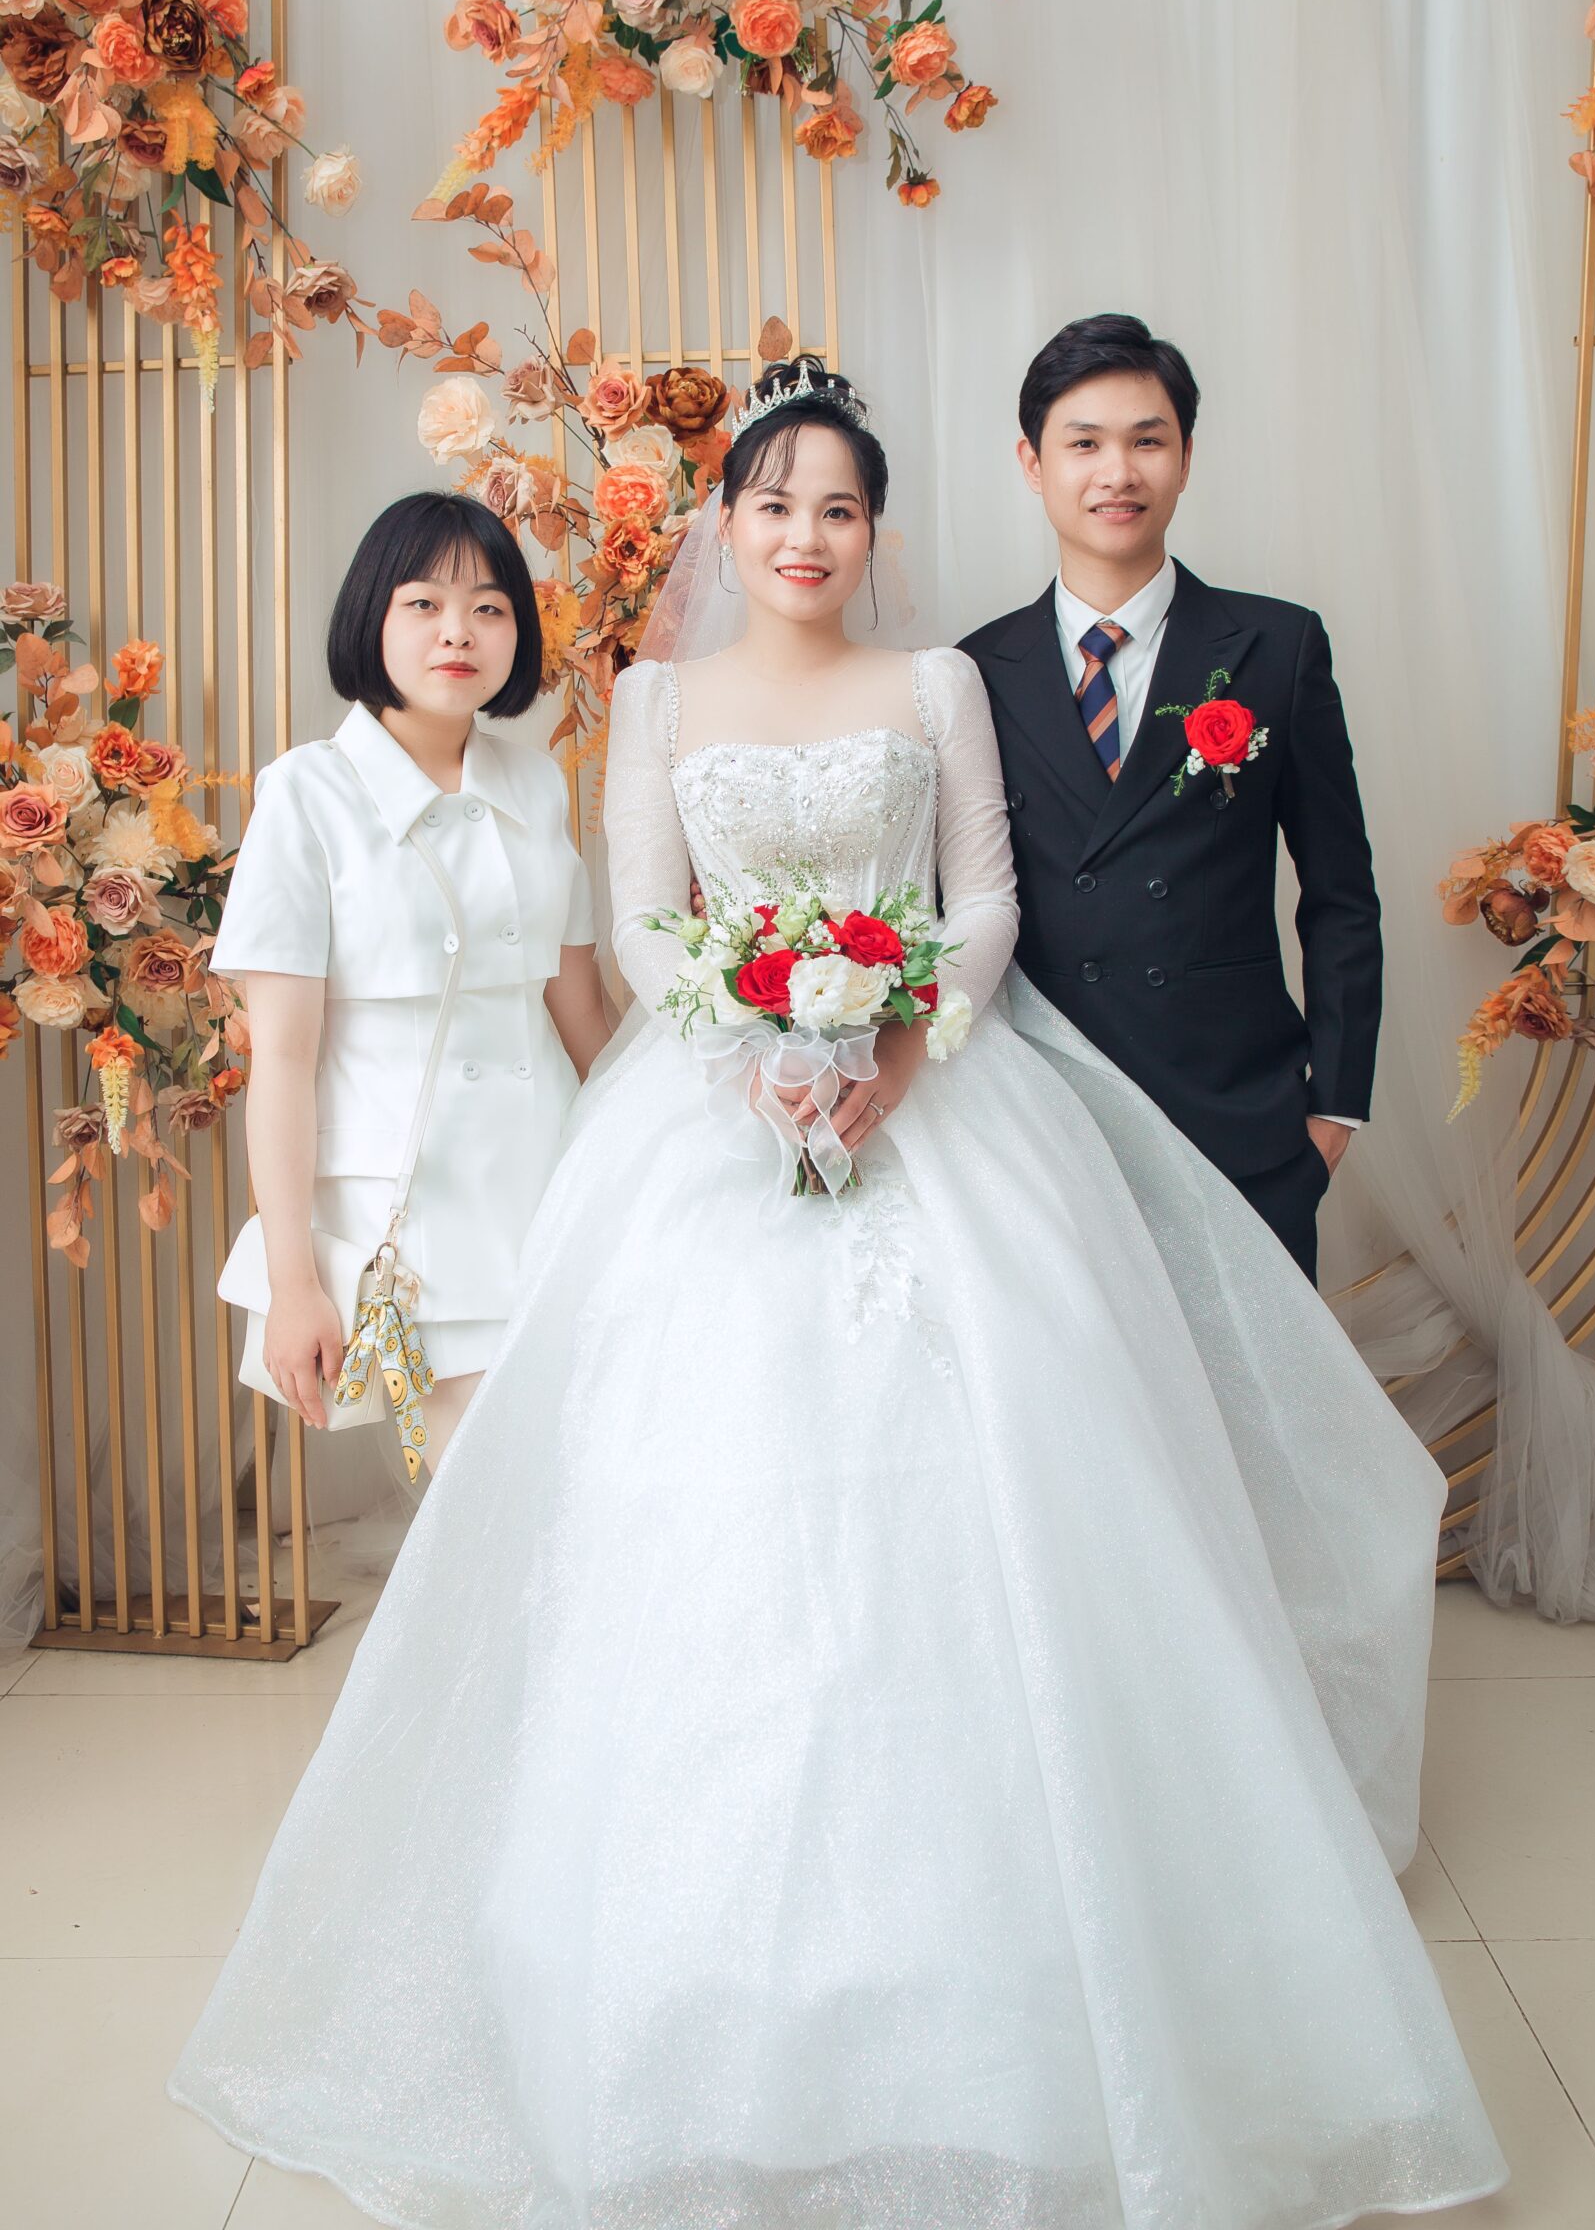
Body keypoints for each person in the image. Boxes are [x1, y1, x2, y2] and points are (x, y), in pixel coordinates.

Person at [170, 365, 1504, 2230]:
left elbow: (984, 899)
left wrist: (888, 1035)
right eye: (773, 504)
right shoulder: (649, 702)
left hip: (935, 1104)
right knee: (695, 1511)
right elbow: (645, 925)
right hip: (712, 1121)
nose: (804, 537)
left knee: (1017, 1484)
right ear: (724, 526)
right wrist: (748, 1049)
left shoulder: (936, 682)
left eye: (840, 509)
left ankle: (1022, 1950)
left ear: (876, 530)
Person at [962, 312, 1381, 1284]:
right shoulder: (975, 669)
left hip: (1239, 1115)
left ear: (1185, 458)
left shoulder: (1276, 648)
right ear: (1032, 463)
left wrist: (1334, 1107)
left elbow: (1340, 894)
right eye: (1084, 444)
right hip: (1047, 1119)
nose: (1118, 472)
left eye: (1146, 441)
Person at [210, 490, 609, 1475]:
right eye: (423, 603)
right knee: (489, 1503)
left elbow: (584, 1017)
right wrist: (293, 1281)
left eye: (489, 608)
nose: (457, 632)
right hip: (411, 1222)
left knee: (583, 1488)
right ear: (371, 618)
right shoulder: (306, 794)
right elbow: (282, 1062)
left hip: (554, 1190)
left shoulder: (535, 785)